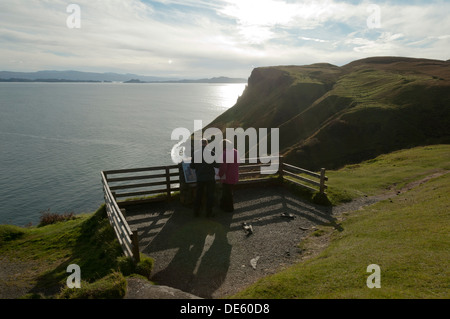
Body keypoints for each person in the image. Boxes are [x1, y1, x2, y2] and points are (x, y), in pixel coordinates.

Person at [190, 138, 218, 217]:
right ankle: (209, 212)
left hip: (200, 177)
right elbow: (217, 165)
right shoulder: (211, 153)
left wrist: (198, 167)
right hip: (210, 178)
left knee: (199, 195)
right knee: (210, 195)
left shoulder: (196, 153)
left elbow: (192, 166)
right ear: (207, 144)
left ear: (200, 144)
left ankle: (196, 212)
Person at [218, 139, 240, 212]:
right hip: (234, 174)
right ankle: (222, 205)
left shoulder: (225, 153)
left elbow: (223, 167)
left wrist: (219, 175)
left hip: (227, 176)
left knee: (227, 193)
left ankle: (229, 208)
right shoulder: (236, 152)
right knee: (228, 191)